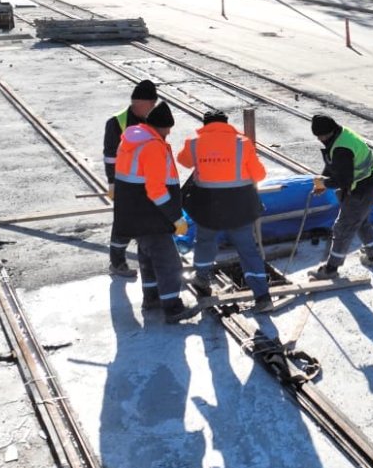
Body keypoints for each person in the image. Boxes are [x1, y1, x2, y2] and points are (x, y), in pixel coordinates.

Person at [176, 111, 274, 312]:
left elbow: (183, 161)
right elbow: (260, 174)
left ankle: (202, 280)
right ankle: (263, 297)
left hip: (208, 206)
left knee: (204, 243)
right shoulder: (242, 143)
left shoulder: (193, 142)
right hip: (240, 205)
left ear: (205, 124)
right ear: (226, 124)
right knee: (247, 250)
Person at [112, 102, 199, 323]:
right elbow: (156, 190)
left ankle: (151, 298)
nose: (170, 132)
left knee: (148, 258)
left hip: (133, 214)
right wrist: (175, 217)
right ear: (159, 126)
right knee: (169, 262)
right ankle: (173, 307)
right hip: (150, 215)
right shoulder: (151, 146)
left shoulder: (132, 141)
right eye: (168, 128)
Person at [307, 115, 373, 279]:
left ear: (330, 132)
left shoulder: (342, 148)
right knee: (361, 221)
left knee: (342, 228)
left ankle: (331, 269)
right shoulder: (342, 135)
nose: (320, 139)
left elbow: (343, 179)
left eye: (322, 136)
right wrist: (323, 180)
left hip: (361, 189)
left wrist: (325, 184)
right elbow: (334, 165)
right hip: (370, 183)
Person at [103, 79, 159, 278]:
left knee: (148, 222)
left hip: (148, 182)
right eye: (151, 105)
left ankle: (149, 261)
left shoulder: (152, 120)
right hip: (126, 184)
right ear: (140, 102)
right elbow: (110, 156)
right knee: (124, 224)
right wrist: (112, 182)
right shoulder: (117, 122)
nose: (153, 109)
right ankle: (117, 263)